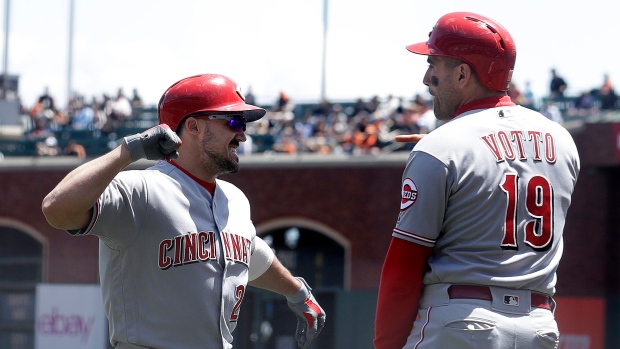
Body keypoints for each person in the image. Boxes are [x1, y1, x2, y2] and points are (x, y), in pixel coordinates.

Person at [41, 73, 326, 349]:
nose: (242, 134)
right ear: (193, 127)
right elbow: (57, 210)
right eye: (232, 120)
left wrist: (297, 291)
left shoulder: (234, 199)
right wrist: (129, 151)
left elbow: (247, 252)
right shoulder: (142, 188)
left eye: (243, 123)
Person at [374, 12, 580, 349]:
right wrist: (444, 146)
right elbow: (505, 164)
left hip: (462, 322)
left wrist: (386, 344)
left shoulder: (441, 148)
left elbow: (404, 265)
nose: (427, 79)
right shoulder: (562, 139)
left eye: (433, 65)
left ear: (462, 73)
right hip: (540, 327)